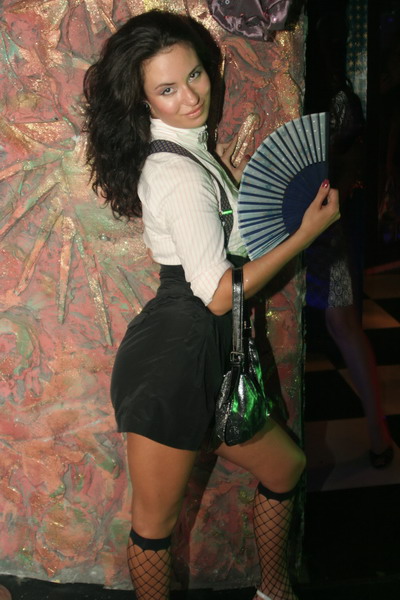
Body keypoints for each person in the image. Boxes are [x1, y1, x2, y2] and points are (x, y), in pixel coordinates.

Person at [83, 10, 339, 600]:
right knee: (155, 525)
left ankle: (273, 591)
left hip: (210, 349)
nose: (191, 97)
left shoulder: (193, 155)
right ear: (143, 100)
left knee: (286, 466)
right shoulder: (178, 174)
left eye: (194, 75)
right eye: (167, 89)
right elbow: (220, 293)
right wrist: (304, 235)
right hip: (173, 364)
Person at [304, 9, 393, 469]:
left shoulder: (335, 95)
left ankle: (378, 432)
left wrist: (331, 194)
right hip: (276, 225)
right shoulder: (264, 89)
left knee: (341, 324)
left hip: (325, 225)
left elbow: (353, 159)